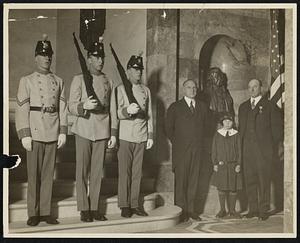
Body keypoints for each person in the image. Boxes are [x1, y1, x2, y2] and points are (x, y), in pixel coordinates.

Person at [15, 34, 67, 226]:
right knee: (34, 175)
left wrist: (63, 130)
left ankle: (45, 211)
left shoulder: (59, 81)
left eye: (49, 55)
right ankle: (33, 212)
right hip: (35, 130)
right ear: (35, 57)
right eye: (43, 55)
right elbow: (21, 110)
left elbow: (63, 107)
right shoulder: (26, 80)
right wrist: (25, 134)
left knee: (47, 174)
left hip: (52, 130)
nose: (47, 58)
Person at [68, 37, 118, 222]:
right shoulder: (79, 79)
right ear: (88, 59)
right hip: (84, 127)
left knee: (98, 171)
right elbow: (71, 106)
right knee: (82, 170)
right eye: (96, 57)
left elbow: (112, 108)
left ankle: (95, 207)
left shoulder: (108, 81)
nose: (100, 61)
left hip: (103, 128)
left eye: (102, 57)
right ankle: (84, 207)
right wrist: (83, 106)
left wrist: (113, 132)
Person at [238, 78, 283, 221]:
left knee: (264, 180)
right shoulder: (243, 107)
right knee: (249, 179)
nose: (252, 89)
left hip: (264, 150)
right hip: (246, 150)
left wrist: (271, 147)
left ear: (261, 88)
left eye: (255, 86)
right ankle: (253, 209)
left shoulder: (270, 106)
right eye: (250, 87)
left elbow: (277, 130)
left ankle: (263, 210)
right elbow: (241, 129)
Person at [116, 54, 154, 218]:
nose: (139, 72)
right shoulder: (120, 89)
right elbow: (116, 112)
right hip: (125, 135)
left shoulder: (146, 90)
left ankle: (134, 204)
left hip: (141, 134)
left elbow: (150, 114)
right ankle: (124, 204)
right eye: (135, 69)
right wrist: (127, 111)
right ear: (128, 71)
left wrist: (150, 135)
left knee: (137, 173)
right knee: (125, 172)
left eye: (140, 69)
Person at [165, 79, 209, 222]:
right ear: (184, 90)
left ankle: (191, 210)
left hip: (197, 150)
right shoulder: (175, 107)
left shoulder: (202, 107)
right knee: (181, 182)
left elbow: (207, 129)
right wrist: (179, 143)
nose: (192, 90)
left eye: (194, 87)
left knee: (193, 181)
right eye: (189, 87)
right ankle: (180, 211)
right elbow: (168, 129)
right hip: (181, 151)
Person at [211, 113, 242, 219]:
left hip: (233, 165)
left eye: (230, 121)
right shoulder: (218, 134)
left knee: (233, 188)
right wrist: (214, 163)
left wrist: (238, 164)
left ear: (233, 122)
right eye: (225, 121)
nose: (228, 123)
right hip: (221, 165)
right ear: (222, 122)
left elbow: (239, 150)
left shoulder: (236, 134)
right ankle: (222, 210)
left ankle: (232, 210)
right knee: (222, 187)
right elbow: (214, 150)